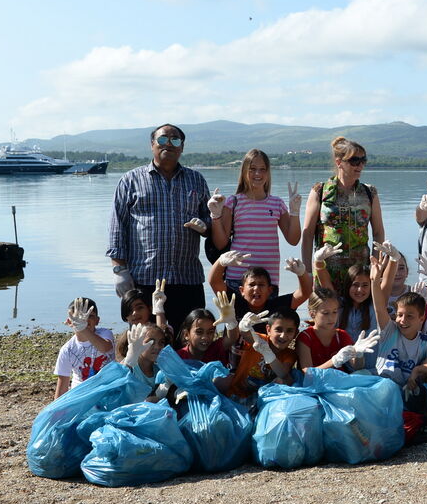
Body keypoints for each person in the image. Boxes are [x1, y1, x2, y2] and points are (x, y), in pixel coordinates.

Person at [107, 123, 211, 332]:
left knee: (188, 340)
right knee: (146, 342)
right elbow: (118, 227)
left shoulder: (196, 180)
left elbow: (211, 224)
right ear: (152, 144)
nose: (169, 144)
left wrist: (206, 225)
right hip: (144, 279)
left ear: (182, 147)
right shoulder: (130, 180)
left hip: (187, 278)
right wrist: (119, 270)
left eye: (175, 140)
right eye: (163, 139)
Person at [208, 148, 302, 295]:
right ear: (244, 171)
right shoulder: (233, 202)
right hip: (237, 279)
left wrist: (295, 212)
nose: (257, 174)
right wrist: (215, 215)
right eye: (252, 169)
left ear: (268, 172)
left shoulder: (277, 203)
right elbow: (221, 243)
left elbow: (293, 239)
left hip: (268, 281)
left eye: (262, 169)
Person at [369, 249, 427, 406]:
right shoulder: (390, 330)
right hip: (383, 391)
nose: (402, 320)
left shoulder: (425, 341)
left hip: (408, 391)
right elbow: (379, 308)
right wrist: (375, 281)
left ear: (422, 318)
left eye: (409, 316)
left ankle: (425, 412)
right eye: (400, 315)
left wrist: (419, 370)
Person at [302, 136, 385, 296]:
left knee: (359, 319)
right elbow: (307, 234)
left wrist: (376, 266)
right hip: (326, 270)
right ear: (339, 162)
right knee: (326, 318)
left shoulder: (369, 192)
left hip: (359, 273)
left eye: (363, 160)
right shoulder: (320, 191)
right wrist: (307, 272)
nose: (360, 165)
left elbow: (378, 232)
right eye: (354, 160)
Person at [216, 309, 300, 402]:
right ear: (268, 329)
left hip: (262, 401)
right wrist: (242, 327)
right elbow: (247, 335)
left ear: (296, 333)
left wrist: (268, 354)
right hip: (235, 395)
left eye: (289, 331)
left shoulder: (290, 354)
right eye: (278, 330)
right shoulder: (260, 340)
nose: (283, 336)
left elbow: (283, 375)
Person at [296, 287, 378, 372]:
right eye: (326, 313)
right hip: (315, 384)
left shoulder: (341, 335)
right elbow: (307, 372)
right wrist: (334, 361)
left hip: (339, 382)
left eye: (335, 312)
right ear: (312, 314)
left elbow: (357, 366)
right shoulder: (305, 337)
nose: (331, 317)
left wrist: (358, 354)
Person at [53, 298, 115, 399]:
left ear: (97, 320)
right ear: (69, 322)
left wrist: (83, 328)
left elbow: (105, 348)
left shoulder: (105, 334)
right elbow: (62, 385)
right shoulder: (67, 350)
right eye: (77, 317)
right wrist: (55, 412)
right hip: (81, 396)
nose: (84, 320)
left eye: (90, 316)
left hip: (107, 392)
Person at [175, 293, 240, 365]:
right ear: (186, 334)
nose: (205, 337)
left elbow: (232, 337)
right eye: (199, 332)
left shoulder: (216, 349)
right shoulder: (178, 357)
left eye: (210, 332)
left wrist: (231, 322)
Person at [120, 322, 170, 393]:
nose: (157, 347)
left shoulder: (160, 371)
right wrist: (128, 364)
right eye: (151, 342)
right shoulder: (129, 365)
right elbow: (116, 386)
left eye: (161, 342)